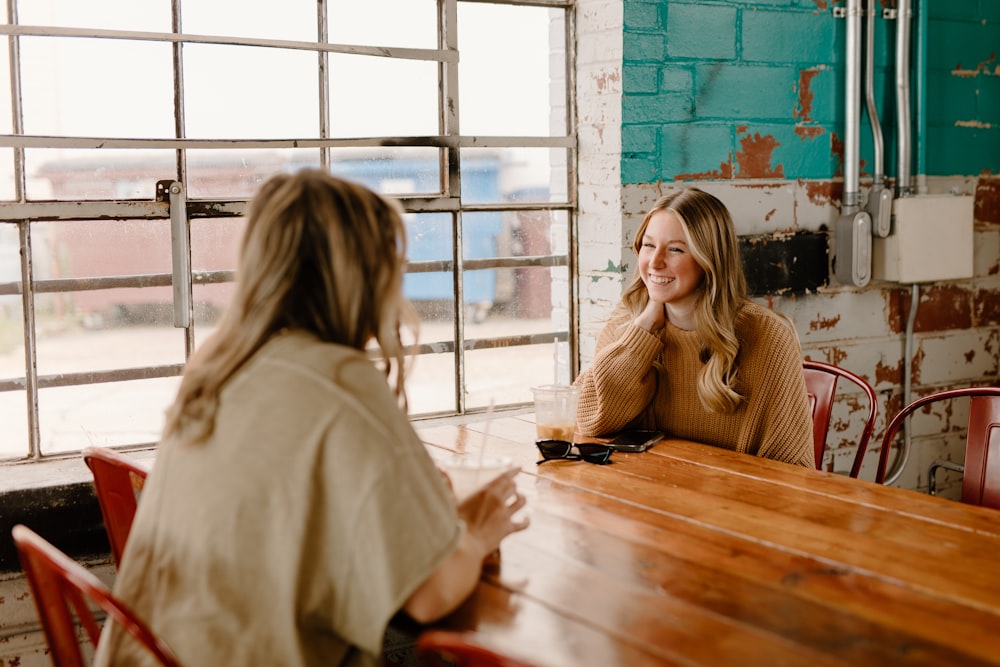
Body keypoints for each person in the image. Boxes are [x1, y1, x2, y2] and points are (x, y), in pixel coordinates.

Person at [93, 169, 528, 666]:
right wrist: (478, 535)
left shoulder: (221, 365)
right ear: (366, 272)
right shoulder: (340, 378)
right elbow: (429, 595)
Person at [574, 188, 814, 468]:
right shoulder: (627, 321)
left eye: (675, 249)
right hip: (643, 495)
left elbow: (792, 471)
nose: (655, 262)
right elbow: (589, 421)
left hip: (731, 505)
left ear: (709, 260)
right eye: (649, 245)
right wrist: (644, 329)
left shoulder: (767, 335)